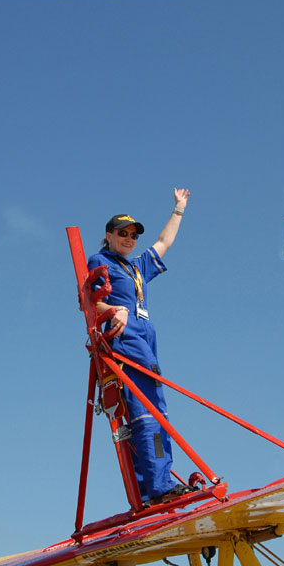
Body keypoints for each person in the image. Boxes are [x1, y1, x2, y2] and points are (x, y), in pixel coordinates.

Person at [87, 188, 191, 504]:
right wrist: (113, 310)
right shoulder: (100, 260)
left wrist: (179, 210)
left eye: (133, 235)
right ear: (108, 235)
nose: (129, 239)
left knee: (154, 409)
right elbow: (89, 302)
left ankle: (153, 486)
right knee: (149, 411)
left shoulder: (136, 267)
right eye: (122, 233)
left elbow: (164, 243)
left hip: (146, 336)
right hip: (126, 336)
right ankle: (158, 487)